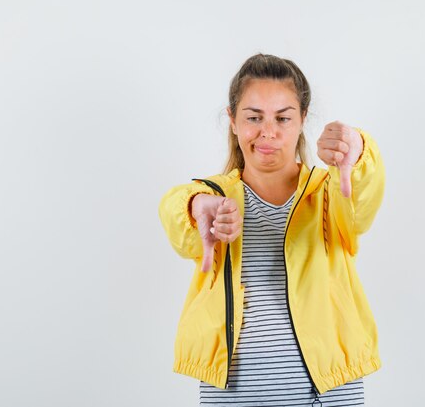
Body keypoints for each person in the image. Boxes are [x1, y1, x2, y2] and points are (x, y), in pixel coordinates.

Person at [158, 53, 385, 406]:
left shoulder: (329, 194)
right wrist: (194, 206)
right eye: (253, 117)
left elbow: (361, 203)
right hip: (233, 397)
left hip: (328, 394)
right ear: (232, 120)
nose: (268, 132)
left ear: (302, 120)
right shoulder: (213, 200)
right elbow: (176, 212)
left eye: (283, 117)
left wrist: (358, 155)